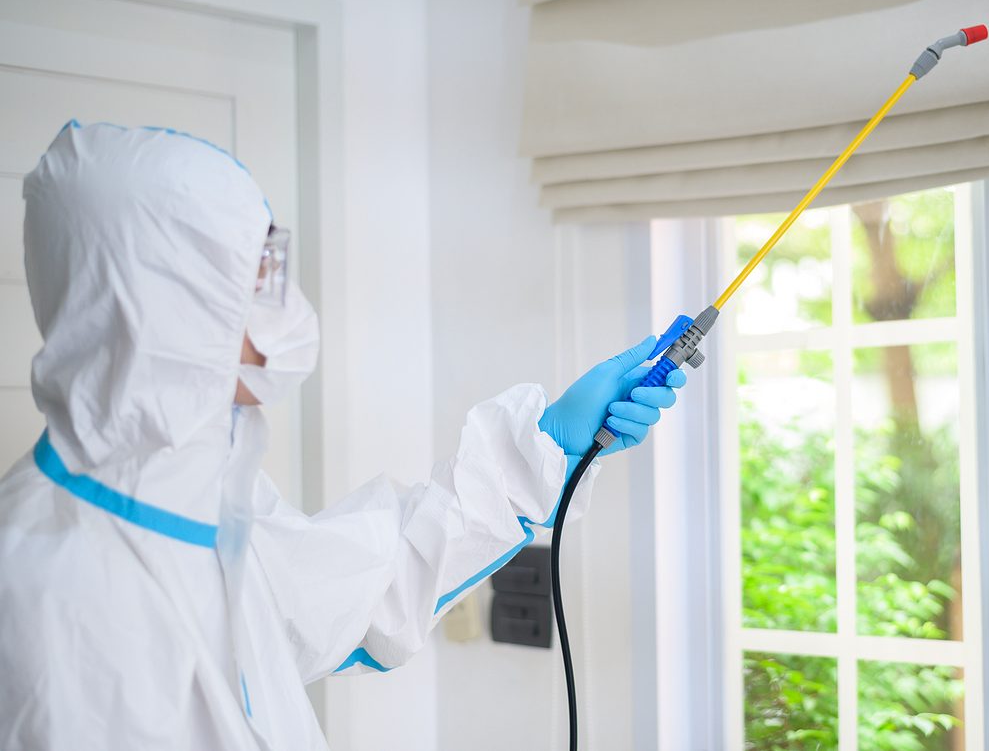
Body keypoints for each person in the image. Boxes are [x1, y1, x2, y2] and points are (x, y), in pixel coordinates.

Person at [0, 122, 685, 749]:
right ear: (157, 308)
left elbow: (362, 592)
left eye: (275, 265)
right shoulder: (42, 588)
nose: (285, 307)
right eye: (256, 277)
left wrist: (546, 446)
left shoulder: (206, 502)